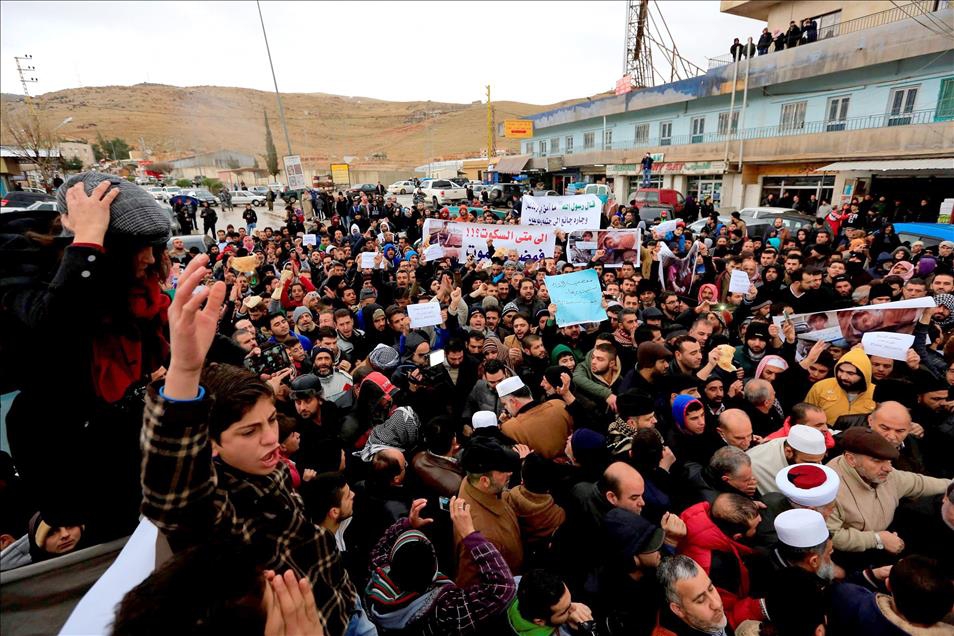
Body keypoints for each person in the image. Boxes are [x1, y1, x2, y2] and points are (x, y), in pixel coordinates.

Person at [139, 255, 356, 635]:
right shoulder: (221, 503)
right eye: (248, 431)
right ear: (211, 444)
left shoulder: (266, 468)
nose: (271, 437)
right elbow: (173, 496)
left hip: (343, 605)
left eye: (271, 420)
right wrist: (184, 374)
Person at [4, 173, 172, 543]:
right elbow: (52, 327)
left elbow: (161, 344)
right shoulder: (19, 263)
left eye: (154, 246)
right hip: (64, 459)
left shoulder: (135, 288)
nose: (149, 258)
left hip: (128, 456)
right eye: (137, 247)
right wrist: (87, 245)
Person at [365, 497, 516, 634]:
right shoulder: (445, 611)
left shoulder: (377, 578)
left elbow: (381, 548)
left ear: (392, 562)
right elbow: (504, 588)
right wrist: (470, 534)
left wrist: (408, 524)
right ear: (434, 572)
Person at [656, 555, 732, 636]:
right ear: (678, 609)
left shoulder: (708, 618)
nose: (717, 604)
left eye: (711, 589)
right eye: (701, 600)